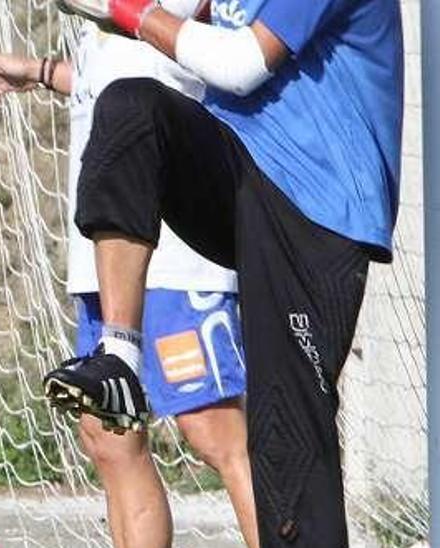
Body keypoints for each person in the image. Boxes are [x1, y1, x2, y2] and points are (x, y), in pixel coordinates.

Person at [39, 0, 402, 545]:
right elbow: (180, 21)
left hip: (318, 209)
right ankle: (119, 357)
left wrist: (126, 8)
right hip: (238, 170)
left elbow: (240, 63)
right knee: (132, 107)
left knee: (287, 444)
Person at [0, 6, 257, 546]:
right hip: (104, 248)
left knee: (213, 431)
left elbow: (174, 40)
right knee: (108, 434)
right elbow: (113, 66)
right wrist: (42, 71)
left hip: (173, 245)